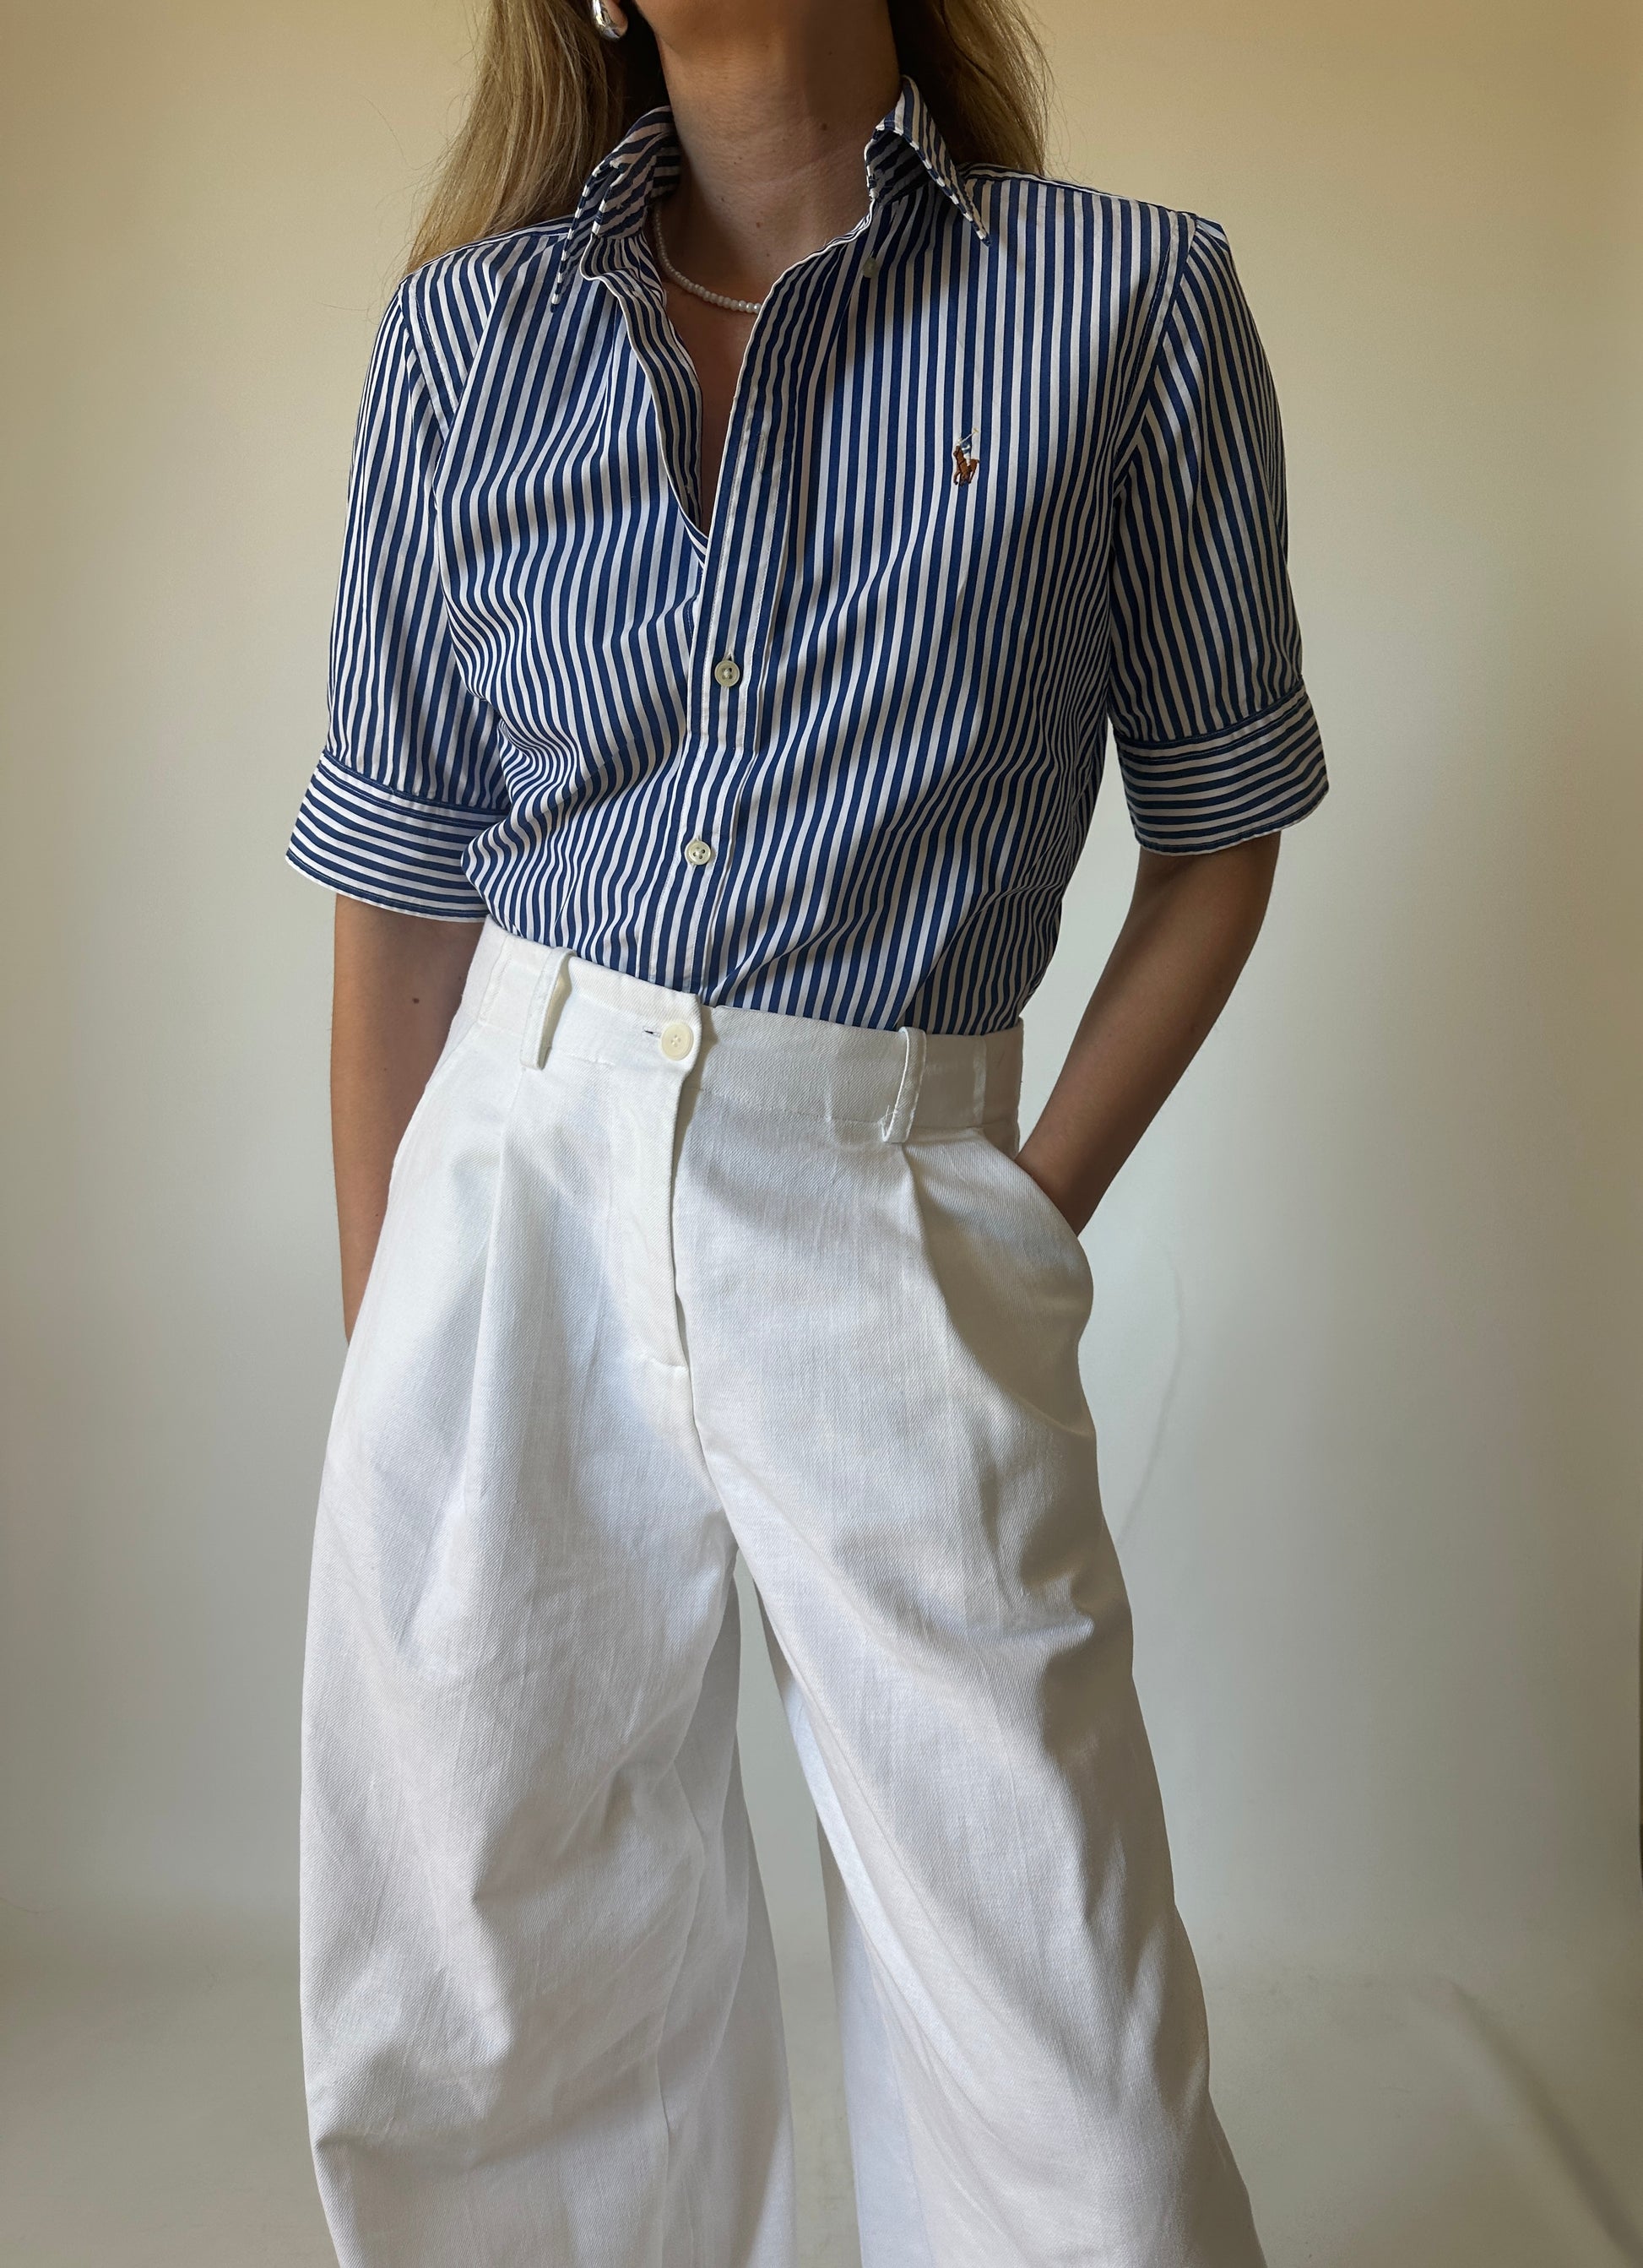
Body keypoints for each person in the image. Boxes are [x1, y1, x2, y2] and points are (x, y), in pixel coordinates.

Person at [285, 0, 1328, 2260]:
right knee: (487, 1980)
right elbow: (398, 893)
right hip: (511, 1189)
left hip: (887, 1188)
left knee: (1056, 2015)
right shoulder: (463, 341)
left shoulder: (1128, 303)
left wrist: (1017, 1213)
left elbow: (1217, 833)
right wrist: (393, 1361)